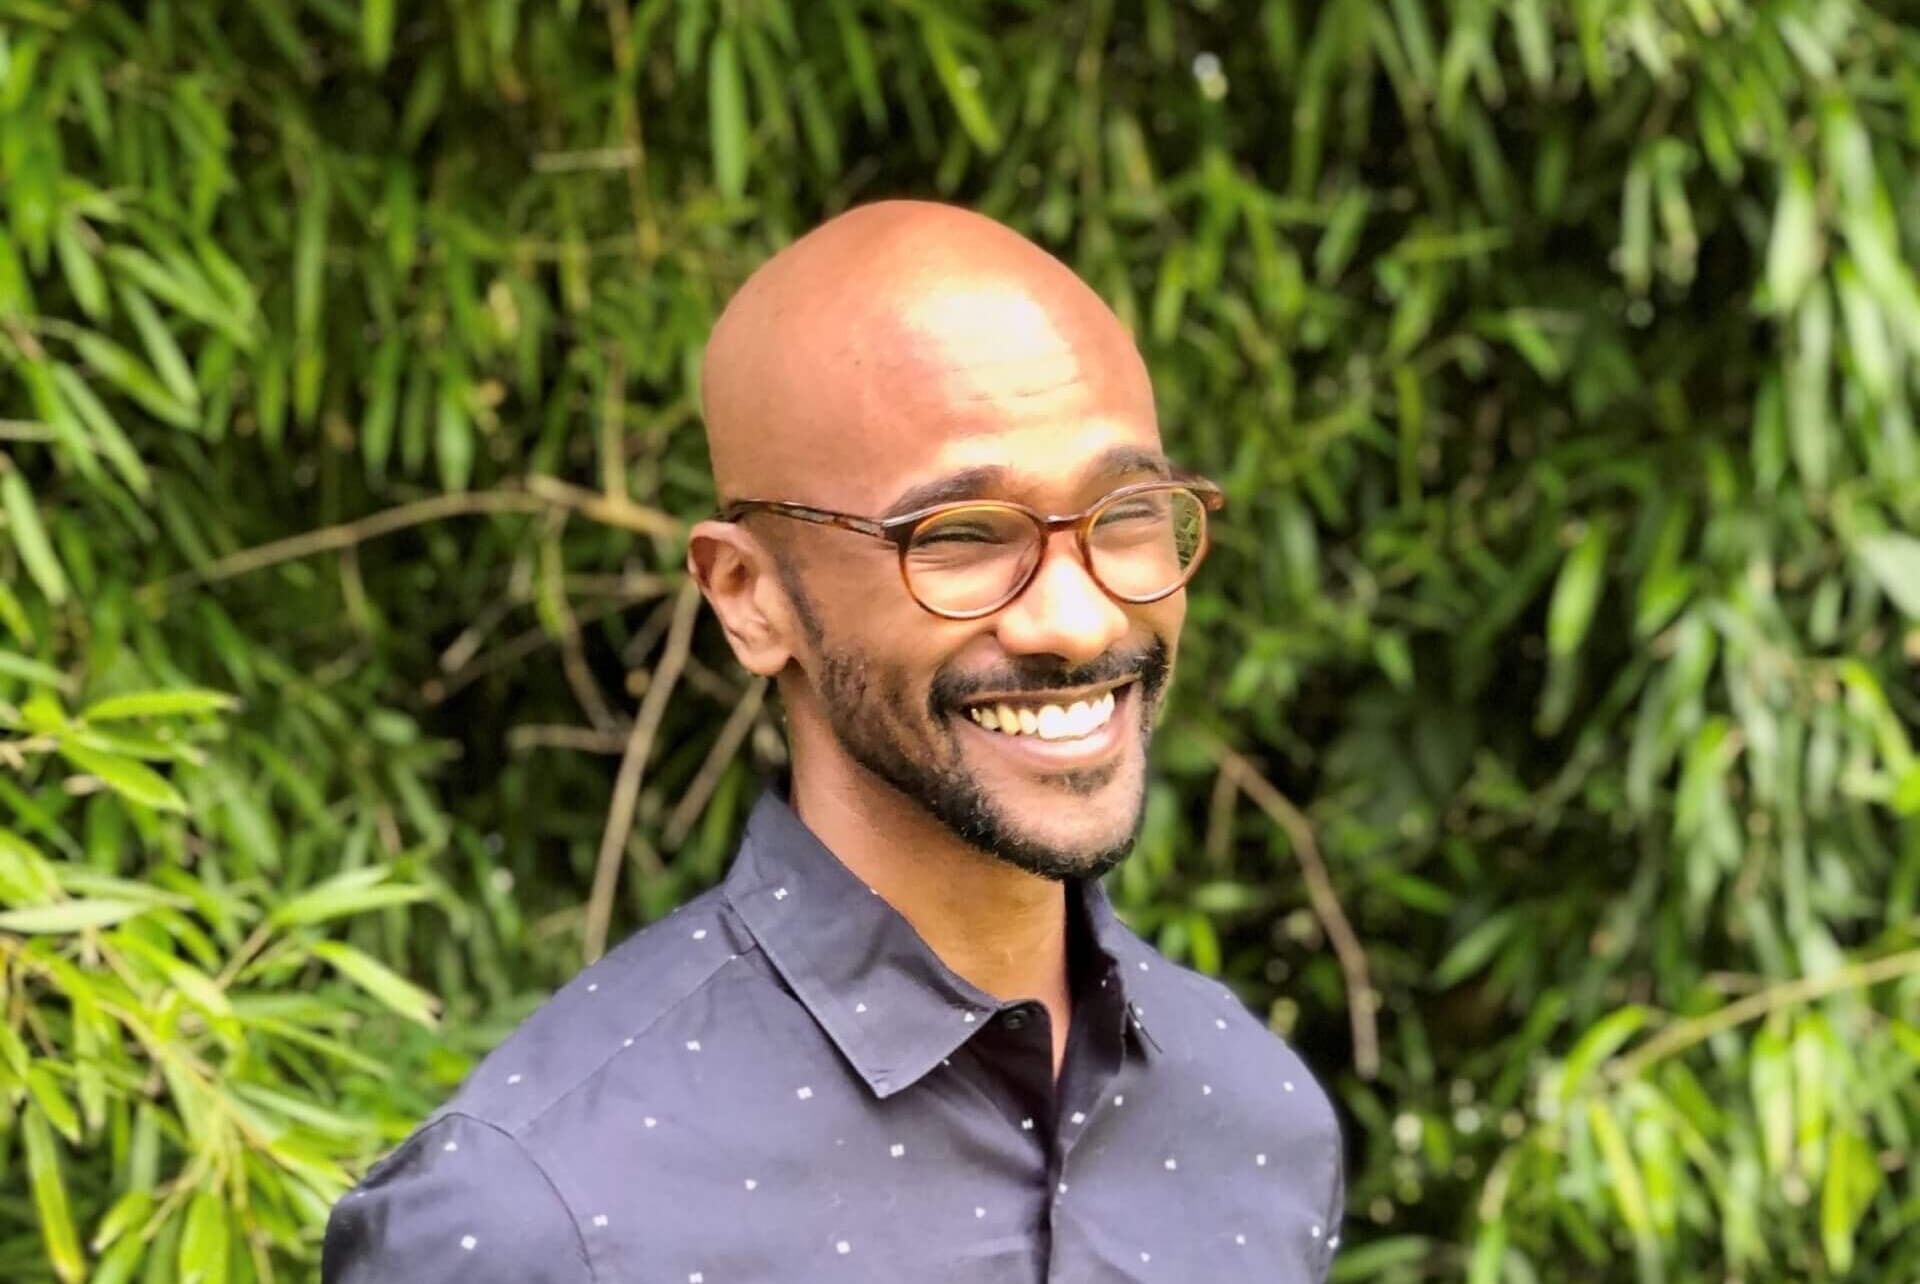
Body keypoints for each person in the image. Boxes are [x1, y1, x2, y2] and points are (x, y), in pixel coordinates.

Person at [322, 200, 1344, 1283]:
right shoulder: (534, 1212)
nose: (1080, 622)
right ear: (748, 597)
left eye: (1128, 512)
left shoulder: (1257, 1117)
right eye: (961, 536)